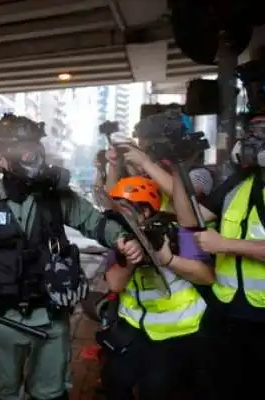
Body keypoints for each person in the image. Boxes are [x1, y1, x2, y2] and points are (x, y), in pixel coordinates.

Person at [0, 114, 144, 400]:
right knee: (1, 394)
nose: (30, 155)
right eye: (20, 148)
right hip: (1, 319)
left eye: (32, 146)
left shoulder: (57, 197)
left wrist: (122, 240)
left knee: (51, 394)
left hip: (51, 318)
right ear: (0, 159)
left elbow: (96, 223)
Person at [170, 58, 265, 400]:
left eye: (261, 130)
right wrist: (180, 168)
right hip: (226, 314)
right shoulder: (240, 182)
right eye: (250, 130)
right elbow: (190, 220)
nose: (252, 140)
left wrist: (225, 244)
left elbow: (216, 240)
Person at [100, 176, 215, 400]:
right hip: (136, 327)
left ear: (145, 211)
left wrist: (169, 260)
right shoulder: (122, 238)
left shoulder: (180, 234)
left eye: (125, 209)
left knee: (154, 389)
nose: (120, 215)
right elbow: (114, 283)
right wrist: (131, 258)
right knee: (113, 379)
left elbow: (208, 276)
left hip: (178, 331)